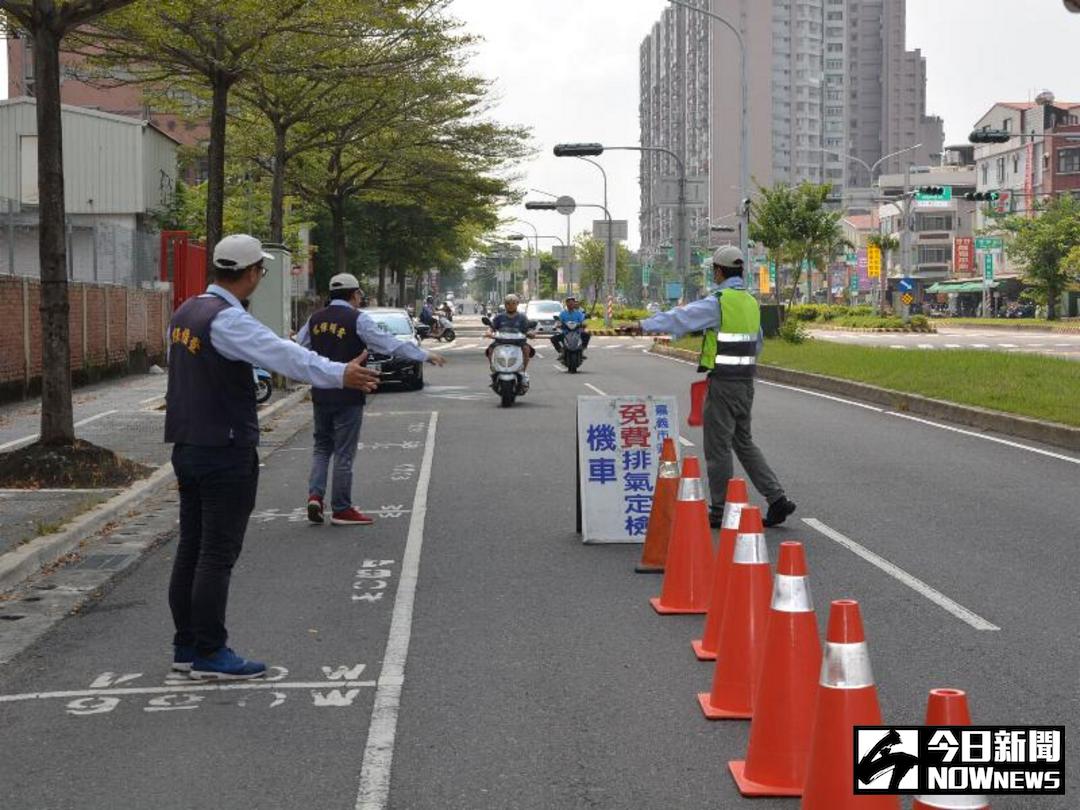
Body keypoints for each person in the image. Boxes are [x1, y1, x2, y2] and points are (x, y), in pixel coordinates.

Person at [164, 234, 380, 681]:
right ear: (249, 273)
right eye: (260, 271)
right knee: (216, 554)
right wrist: (341, 372)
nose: (260, 277)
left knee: (191, 547)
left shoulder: (186, 311)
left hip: (186, 444)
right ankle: (210, 650)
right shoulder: (228, 320)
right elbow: (285, 355)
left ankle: (185, 645)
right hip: (224, 448)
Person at [639, 245, 796, 530]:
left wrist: (644, 324)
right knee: (743, 442)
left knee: (718, 448)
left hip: (723, 383)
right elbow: (757, 342)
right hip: (746, 382)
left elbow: (681, 317)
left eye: (714, 270)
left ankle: (721, 509)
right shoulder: (749, 302)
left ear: (719, 271)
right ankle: (777, 498)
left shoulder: (718, 302)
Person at [296, 273, 446, 526]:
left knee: (322, 448)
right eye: (359, 296)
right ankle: (342, 508)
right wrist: (423, 354)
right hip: (349, 393)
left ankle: (315, 496)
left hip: (321, 394)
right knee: (344, 452)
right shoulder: (358, 319)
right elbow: (388, 344)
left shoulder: (314, 319)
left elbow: (299, 347)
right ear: (354, 295)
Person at [486, 293, 535, 383]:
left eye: (513, 303)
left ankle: (523, 371)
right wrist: (489, 332)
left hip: (518, 342)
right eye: (508, 303)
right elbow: (492, 327)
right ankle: (494, 369)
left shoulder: (522, 317)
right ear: (505, 305)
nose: (511, 306)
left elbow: (527, 329)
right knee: (490, 350)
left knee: (526, 349)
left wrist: (531, 333)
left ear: (517, 304)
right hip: (501, 341)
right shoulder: (499, 317)